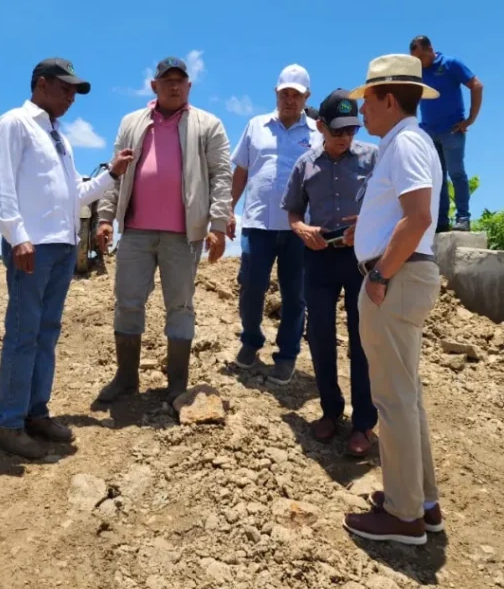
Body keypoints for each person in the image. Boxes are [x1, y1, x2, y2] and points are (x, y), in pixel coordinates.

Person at [0, 58, 134, 459]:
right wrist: (18, 237)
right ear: (41, 84)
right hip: (32, 247)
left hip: (62, 247)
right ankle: (8, 423)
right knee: (23, 335)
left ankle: (35, 413)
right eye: (65, 88)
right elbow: (1, 186)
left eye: (74, 91)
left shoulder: (58, 137)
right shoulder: (15, 123)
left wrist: (112, 174)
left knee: (47, 333)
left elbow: (75, 195)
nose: (71, 97)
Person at [340, 54, 445, 545]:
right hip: (404, 275)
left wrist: (380, 273)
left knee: (393, 398)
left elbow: (418, 216)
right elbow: (406, 214)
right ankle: (421, 502)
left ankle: (404, 516)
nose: (361, 111)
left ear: (387, 98)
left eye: (367, 100)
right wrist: (367, 230)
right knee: (406, 395)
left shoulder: (404, 143)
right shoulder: (407, 142)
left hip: (396, 278)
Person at [94, 56, 231, 403]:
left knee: (180, 306)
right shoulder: (131, 122)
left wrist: (217, 224)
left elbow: (221, 176)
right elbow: (116, 172)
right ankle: (126, 379)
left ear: (189, 86)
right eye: (166, 81)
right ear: (154, 86)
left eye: (179, 81)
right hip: (135, 232)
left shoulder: (208, 124)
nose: (174, 86)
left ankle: (177, 385)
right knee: (127, 303)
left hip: (184, 236)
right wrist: (106, 217)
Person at [282, 89, 379, 456]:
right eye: (337, 131)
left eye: (351, 130)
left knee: (362, 339)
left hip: (360, 259)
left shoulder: (373, 158)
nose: (345, 137)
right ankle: (330, 410)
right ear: (321, 126)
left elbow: (390, 205)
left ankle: (363, 423)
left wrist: (367, 225)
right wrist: (301, 228)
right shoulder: (305, 165)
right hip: (319, 258)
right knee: (320, 335)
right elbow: (293, 211)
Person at [228, 64, 321, 384]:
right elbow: (241, 170)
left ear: (307, 97)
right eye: (285, 93)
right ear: (276, 94)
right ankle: (251, 341)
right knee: (251, 286)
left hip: (300, 229)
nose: (289, 99)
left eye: (296, 94)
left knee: (295, 294)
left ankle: (287, 354)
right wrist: (228, 209)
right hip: (258, 223)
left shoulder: (317, 133)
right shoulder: (256, 126)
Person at [409, 36, 484, 232]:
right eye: (415, 59)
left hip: (452, 130)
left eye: (420, 57)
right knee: (436, 177)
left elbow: (476, 85)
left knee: (456, 173)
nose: (418, 62)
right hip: (429, 132)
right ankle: (441, 222)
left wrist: (470, 119)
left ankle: (463, 218)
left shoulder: (450, 64)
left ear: (430, 49)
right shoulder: (417, 72)